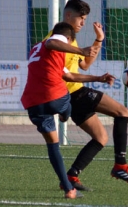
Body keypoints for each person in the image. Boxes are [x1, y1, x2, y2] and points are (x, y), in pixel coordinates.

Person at [44, 0, 128, 192]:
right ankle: (121, 166)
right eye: (81, 18)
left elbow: (85, 64)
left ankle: (72, 176)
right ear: (68, 15)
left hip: (72, 97)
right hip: (75, 92)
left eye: (85, 19)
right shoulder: (60, 37)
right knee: (122, 112)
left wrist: (98, 40)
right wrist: (95, 74)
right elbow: (51, 43)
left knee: (100, 138)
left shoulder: (72, 39)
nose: (83, 23)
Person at [21, 22, 115, 199]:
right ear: (69, 39)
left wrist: (98, 78)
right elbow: (52, 42)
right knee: (67, 97)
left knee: (53, 146)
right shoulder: (56, 40)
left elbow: (69, 75)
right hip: (55, 98)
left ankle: (68, 189)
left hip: (33, 104)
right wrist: (81, 51)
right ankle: (65, 114)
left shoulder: (38, 50)